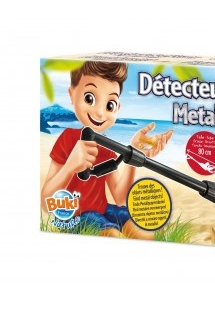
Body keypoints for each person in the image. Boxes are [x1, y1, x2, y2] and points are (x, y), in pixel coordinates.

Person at [41, 61, 173, 236]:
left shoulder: (107, 146)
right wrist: (70, 167)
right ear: (72, 95)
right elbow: (46, 202)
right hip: (74, 215)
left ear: (118, 107)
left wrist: (134, 155)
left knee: (147, 228)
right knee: (111, 234)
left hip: (104, 210)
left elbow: (120, 198)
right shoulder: (68, 138)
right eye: (89, 98)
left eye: (110, 105)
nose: (100, 113)